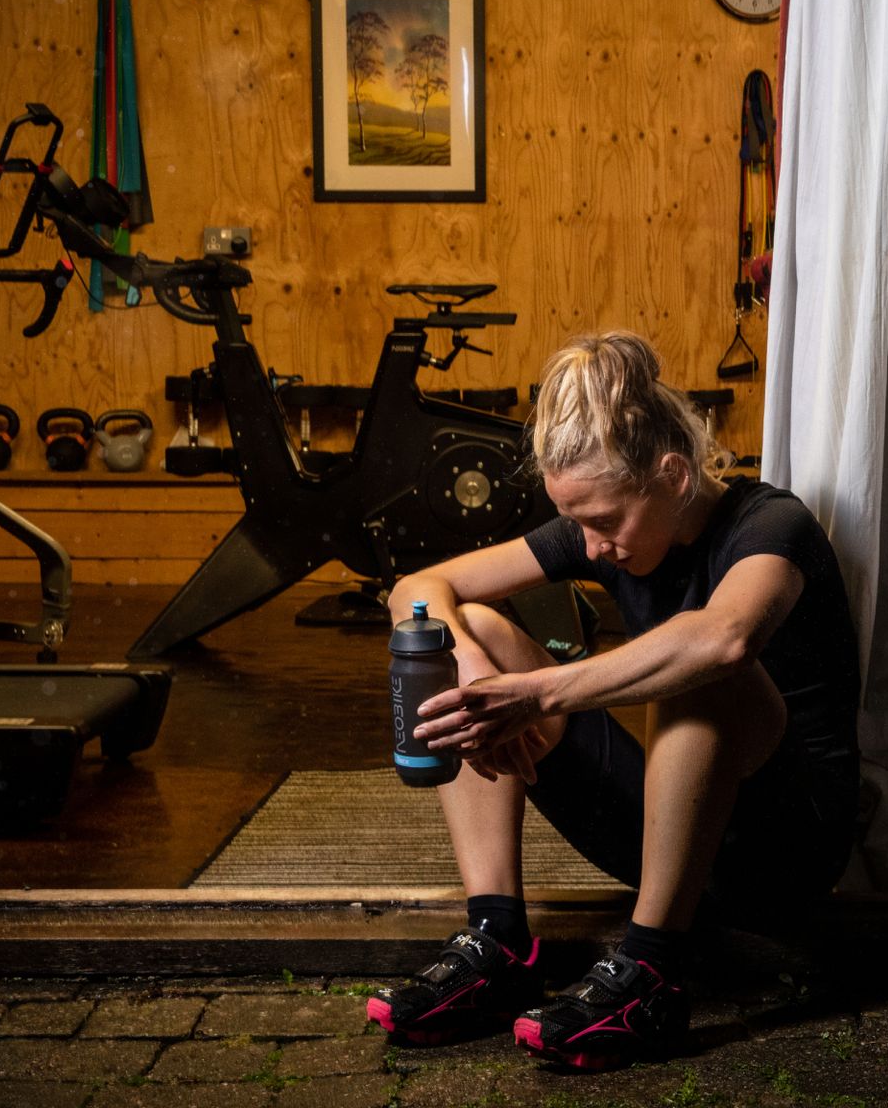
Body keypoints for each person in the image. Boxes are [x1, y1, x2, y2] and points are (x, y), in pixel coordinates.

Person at [366, 330, 860, 1069]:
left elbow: (725, 639)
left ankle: (651, 974)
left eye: (603, 521)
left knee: (699, 661)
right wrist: (469, 662)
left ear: (673, 474)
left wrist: (536, 695)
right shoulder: (601, 530)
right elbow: (416, 588)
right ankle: (499, 940)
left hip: (784, 854)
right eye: (579, 523)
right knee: (463, 626)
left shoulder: (772, 525)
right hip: (669, 842)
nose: (591, 545)